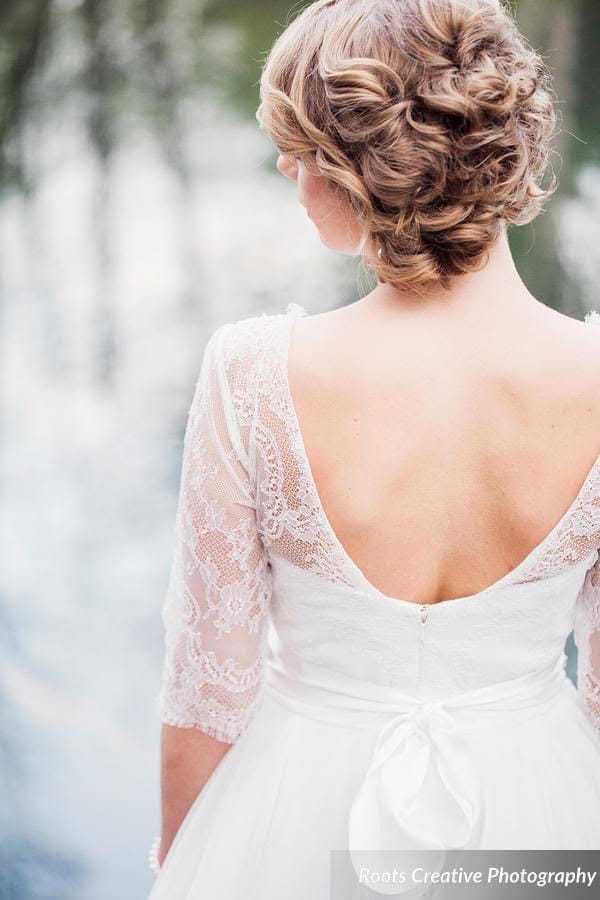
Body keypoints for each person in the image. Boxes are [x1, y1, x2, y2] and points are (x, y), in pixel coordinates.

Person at [147, 1, 600, 897]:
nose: (284, 166)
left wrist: (181, 869)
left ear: (365, 170)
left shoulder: (254, 375)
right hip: (541, 822)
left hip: (289, 816)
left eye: (299, 145)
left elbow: (207, 696)